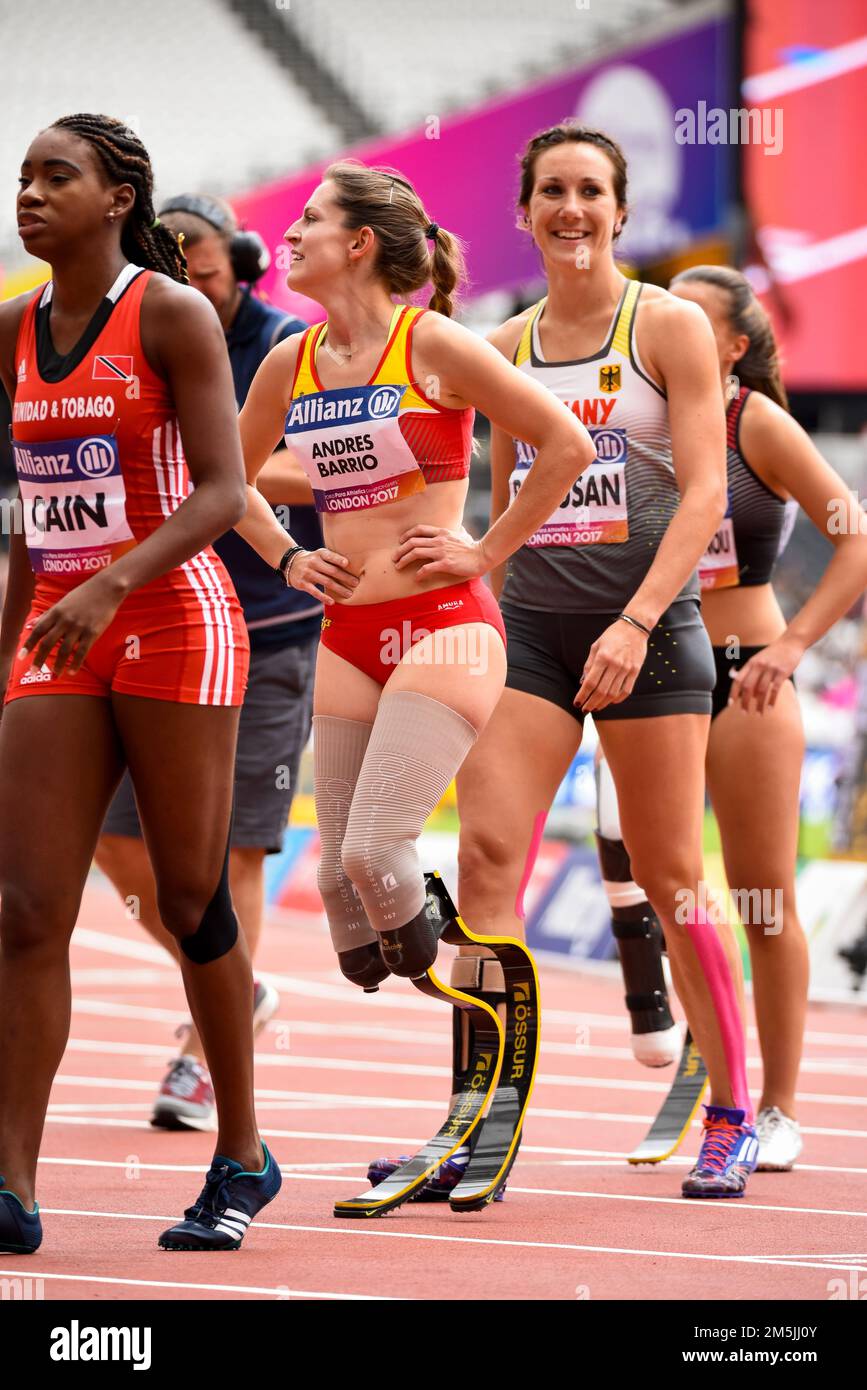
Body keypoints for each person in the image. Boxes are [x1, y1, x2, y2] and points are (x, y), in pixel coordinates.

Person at [230, 159, 594, 1192]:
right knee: (358, 928)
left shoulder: (429, 341)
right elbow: (229, 473)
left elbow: (563, 442)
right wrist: (289, 556)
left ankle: (496, 1027)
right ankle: (469, 991)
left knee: (374, 846)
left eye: (308, 222)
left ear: (358, 245)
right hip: (347, 635)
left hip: (446, 626)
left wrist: (485, 549)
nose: (289, 237)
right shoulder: (290, 363)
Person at [448, 123, 759, 1200]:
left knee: (672, 875)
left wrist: (635, 621)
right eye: (551, 192)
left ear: (622, 212)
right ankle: (476, 1120)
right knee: (488, 859)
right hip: (534, 629)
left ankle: (729, 1111)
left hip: (653, 633)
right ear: (524, 213)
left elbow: (708, 493)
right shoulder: (501, 344)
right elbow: (505, 498)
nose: (571, 209)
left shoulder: (667, 325)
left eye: (591, 191)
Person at [0, 113, 279, 1254]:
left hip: (170, 618)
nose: (30, 193)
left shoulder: (169, 313)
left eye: (56, 176)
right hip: (58, 628)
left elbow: (221, 493)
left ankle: (243, 1152)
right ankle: (11, 1179)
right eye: (22, 177)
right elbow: (27, 515)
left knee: (190, 898)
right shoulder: (13, 328)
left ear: (119, 198)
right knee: (21, 910)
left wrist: (110, 583)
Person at [597, 264, 867, 1170]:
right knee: (672, 889)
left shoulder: (752, 421)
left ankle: (781, 1108)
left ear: (735, 347)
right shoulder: (628, 417)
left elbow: (854, 534)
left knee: (761, 896)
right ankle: (721, 1085)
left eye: (688, 317)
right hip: (653, 667)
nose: (662, 326)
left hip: (743, 672)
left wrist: (790, 646)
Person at [93, 192, 321, 1132]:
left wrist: (214, 455)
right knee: (114, 838)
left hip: (269, 627)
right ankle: (235, 979)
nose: (192, 285)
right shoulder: (137, 327)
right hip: (157, 624)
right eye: (175, 267)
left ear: (249, 264)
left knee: (233, 850)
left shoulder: (288, 346)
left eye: (211, 272)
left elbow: (323, 472)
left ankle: (199, 1054)